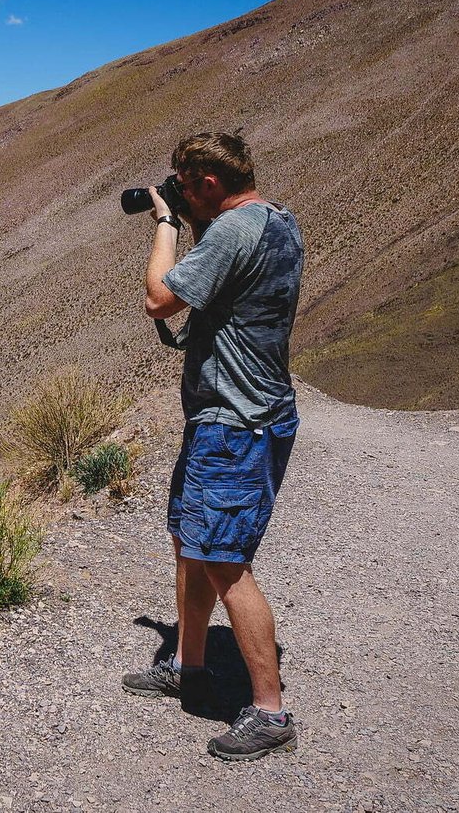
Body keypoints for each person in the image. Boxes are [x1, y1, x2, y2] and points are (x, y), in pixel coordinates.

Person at [121, 132, 305, 762]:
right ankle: (189, 665)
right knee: (191, 543)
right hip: (243, 415)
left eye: (183, 183)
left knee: (226, 562)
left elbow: (159, 299)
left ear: (205, 183)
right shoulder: (278, 222)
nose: (178, 193)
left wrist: (167, 224)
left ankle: (269, 711)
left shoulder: (228, 232)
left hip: (233, 422)